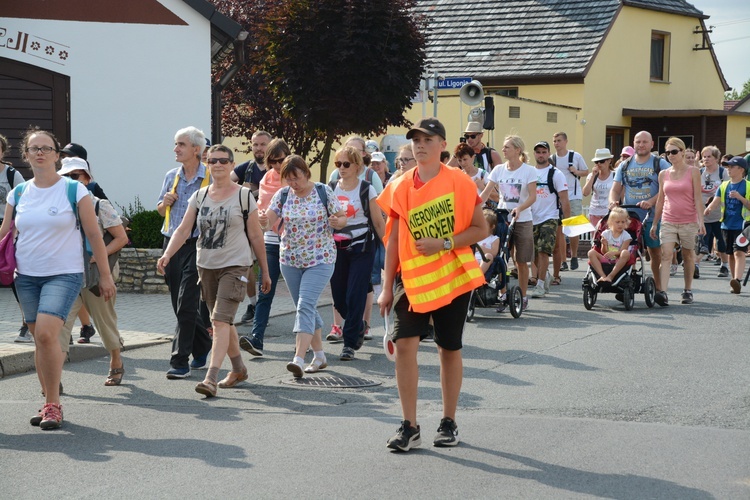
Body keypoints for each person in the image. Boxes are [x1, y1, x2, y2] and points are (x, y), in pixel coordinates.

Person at [377, 117, 486, 452]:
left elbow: (480, 229)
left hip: (452, 278)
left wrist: (444, 243)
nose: (420, 145)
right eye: (415, 140)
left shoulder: (460, 182)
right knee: (405, 346)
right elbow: (394, 239)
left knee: (448, 348)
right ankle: (409, 425)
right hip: (410, 280)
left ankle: (448, 421)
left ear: (442, 144)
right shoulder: (399, 185)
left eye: (427, 139)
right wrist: (384, 286)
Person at [0, 128, 115, 430]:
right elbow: (5, 232)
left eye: (46, 148)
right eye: (34, 148)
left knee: (48, 335)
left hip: (64, 274)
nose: (40, 153)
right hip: (25, 276)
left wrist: (105, 276)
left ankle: (53, 404)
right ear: (25, 155)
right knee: (40, 339)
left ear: (57, 155)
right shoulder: (19, 193)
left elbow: (94, 234)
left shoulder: (74, 190)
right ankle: (48, 399)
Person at [158, 145, 271, 397]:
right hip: (206, 266)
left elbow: (255, 234)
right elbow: (183, 229)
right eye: (213, 161)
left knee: (219, 320)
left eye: (223, 160)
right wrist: (167, 254)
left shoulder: (244, 196)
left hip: (236, 265)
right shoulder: (199, 196)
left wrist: (264, 270)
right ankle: (239, 368)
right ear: (208, 165)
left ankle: (211, 377)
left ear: (232, 165)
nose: (218, 164)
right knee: (223, 321)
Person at [260, 156, 345, 377]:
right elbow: (268, 221)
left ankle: (298, 358)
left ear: (306, 173)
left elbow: (341, 217)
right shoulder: (284, 195)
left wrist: (337, 222)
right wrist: (261, 219)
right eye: (288, 180)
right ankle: (319, 356)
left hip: (320, 258)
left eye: (296, 178)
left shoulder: (323, 191)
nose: (293, 184)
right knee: (306, 307)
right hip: (290, 260)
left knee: (305, 305)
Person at [58, 157, 129, 385]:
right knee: (59, 325)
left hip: (96, 274)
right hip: (66, 274)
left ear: (87, 179)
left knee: (105, 321)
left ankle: (116, 360)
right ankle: (53, 376)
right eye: (65, 177)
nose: (70, 180)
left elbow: (121, 238)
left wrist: (96, 257)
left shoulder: (100, 205)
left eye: (75, 175)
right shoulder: (57, 205)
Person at [156, 126, 213, 379]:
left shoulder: (210, 177)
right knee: (179, 306)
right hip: (171, 243)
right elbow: (159, 210)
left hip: (198, 245)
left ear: (196, 150)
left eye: (181, 144)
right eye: (175, 144)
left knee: (187, 301)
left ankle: (180, 361)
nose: (175, 149)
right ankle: (203, 345)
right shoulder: (172, 176)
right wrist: (164, 203)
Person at [328, 146, 385, 361]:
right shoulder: (331, 188)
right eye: (338, 164)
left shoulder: (366, 189)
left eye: (346, 164)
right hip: (337, 248)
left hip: (362, 247)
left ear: (357, 166)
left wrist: (390, 247)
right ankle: (358, 324)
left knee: (355, 293)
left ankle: (349, 343)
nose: (341, 168)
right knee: (339, 296)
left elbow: (378, 222)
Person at [239, 138, 291, 357]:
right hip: (270, 239)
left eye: (280, 160)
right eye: (273, 161)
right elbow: (262, 206)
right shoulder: (267, 178)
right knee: (265, 289)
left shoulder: (295, 175)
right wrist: (262, 217)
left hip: (293, 242)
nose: (277, 166)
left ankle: (305, 340)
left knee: (300, 297)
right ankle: (257, 339)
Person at [609, 131, 670, 301]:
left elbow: (666, 188)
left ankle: (659, 289)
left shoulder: (660, 163)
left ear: (652, 144)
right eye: (638, 142)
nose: (641, 145)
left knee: (655, 252)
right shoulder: (625, 165)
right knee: (628, 251)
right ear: (634, 144)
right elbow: (615, 189)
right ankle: (626, 284)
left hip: (653, 216)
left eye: (644, 142)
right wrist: (613, 201)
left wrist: (651, 201)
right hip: (631, 217)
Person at [480, 135, 537, 311]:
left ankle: (523, 295)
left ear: (517, 150)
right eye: (504, 147)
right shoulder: (498, 170)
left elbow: (533, 196)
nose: (503, 150)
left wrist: (520, 208)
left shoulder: (529, 171)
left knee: (520, 260)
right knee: (502, 257)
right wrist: (475, 207)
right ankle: (503, 294)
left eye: (507, 147)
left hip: (523, 218)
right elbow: (487, 192)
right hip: (503, 216)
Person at [650, 137, 704, 305]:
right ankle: (663, 292)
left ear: (682, 152)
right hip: (668, 219)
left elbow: (697, 198)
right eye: (668, 153)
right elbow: (660, 199)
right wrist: (654, 222)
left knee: (688, 255)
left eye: (674, 152)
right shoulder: (663, 174)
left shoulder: (693, 171)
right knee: (666, 255)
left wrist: (701, 221)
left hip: (688, 220)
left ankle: (687, 290)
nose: (671, 155)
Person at [231, 130, 272, 325]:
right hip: (249, 226)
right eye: (255, 144)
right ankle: (254, 304)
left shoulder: (278, 168)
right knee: (247, 265)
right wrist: (241, 190)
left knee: (270, 268)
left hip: (273, 227)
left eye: (263, 144)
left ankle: (265, 305)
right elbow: (221, 184)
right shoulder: (245, 168)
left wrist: (253, 190)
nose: (259, 148)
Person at [704, 156, 750, 294]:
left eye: (731, 167)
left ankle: (737, 279)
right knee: (730, 254)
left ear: (741, 169)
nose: (728, 169)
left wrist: (740, 197)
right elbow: (716, 200)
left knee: (739, 252)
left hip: (743, 225)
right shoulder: (724, 185)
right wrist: (709, 209)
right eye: (727, 166)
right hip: (726, 225)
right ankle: (734, 280)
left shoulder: (747, 185)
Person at [0, 134, 30, 343]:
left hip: (8, 230)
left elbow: (27, 202)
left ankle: (27, 323)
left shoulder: (12, 175)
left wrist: (17, 230)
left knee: (14, 278)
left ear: (3, 151)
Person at [530, 141, 569, 298]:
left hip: (550, 217)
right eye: (538, 152)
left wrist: (568, 222)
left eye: (544, 152)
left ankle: (540, 285)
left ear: (548, 153)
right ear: (534, 154)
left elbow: (564, 199)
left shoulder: (556, 174)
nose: (541, 155)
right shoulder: (530, 172)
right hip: (532, 218)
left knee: (544, 250)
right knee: (532, 254)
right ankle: (544, 275)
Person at [552, 132, 589, 271]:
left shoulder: (575, 156)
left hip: (574, 196)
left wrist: (576, 171)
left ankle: (573, 255)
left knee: (574, 228)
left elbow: (586, 171)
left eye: (559, 140)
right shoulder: (552, 158)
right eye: (554, 141)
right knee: (559, 230)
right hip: (558, 198)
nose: (556, 143)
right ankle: (563, 260)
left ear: (566, 141)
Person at [699, 146, 730, 277]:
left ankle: (724, 265)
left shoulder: (723, 172)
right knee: (702, 243)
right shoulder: (699, 172)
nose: (706, 159)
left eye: (709, 156)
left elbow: (728, 190)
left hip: (720, 215)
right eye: (704, 156)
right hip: (703, 214)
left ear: (716, 159)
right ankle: (695, 266)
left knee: (721, 243)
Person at [587, 207, 632, 283]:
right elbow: (604, 252)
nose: (620, 224)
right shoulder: (606, 234)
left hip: (619, 259)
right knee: (591, 252)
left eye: (623, 222)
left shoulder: (626, 236)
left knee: (625, 253)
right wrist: (604, 245)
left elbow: (623, 250)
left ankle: (611, 276)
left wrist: (614, 253)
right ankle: (603, 276)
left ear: (626, 222)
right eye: (617, 222)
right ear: (611, 222)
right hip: (606, 258)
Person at [583, 148, 616, 228]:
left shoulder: (615, 175)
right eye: (596, 162)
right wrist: (593, 175)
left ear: (609, 161)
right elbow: (585, 193)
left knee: (609, 238)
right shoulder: (592, 176)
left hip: (609, 213)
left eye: (602, 161)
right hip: (594, 212)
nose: (599, 164)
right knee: (595, 239)